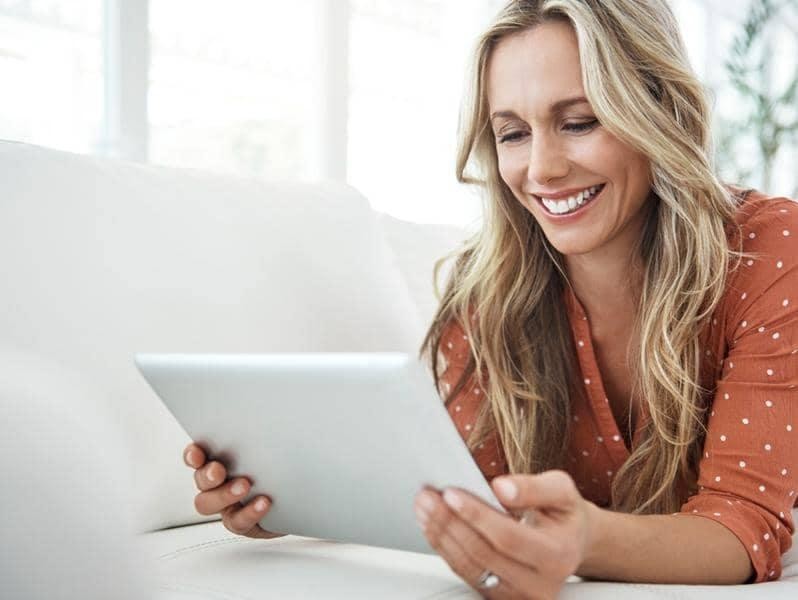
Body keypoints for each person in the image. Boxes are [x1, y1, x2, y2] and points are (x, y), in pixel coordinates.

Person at [183, 0, 797, 597]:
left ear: (660, 112)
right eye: (512, 133)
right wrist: (292, 497)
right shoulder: (490, 295)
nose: (542, 168)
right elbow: (467, 498)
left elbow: (740, 530)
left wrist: (584, 541)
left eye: (579, 122)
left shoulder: (771, 252)